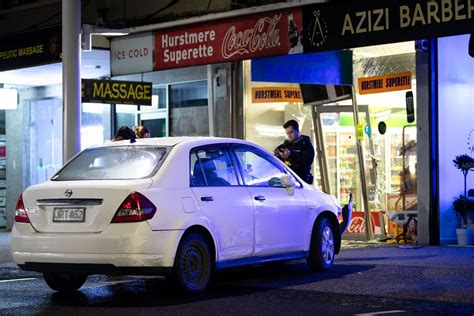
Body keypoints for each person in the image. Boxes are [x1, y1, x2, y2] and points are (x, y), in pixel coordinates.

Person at [274, 119, 315, 184]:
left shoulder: (306, 145)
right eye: (287, 133)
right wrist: (278, 156)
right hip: (288, 180)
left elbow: (307, 161)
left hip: (302, 180)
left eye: (291, 132)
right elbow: (283, 162)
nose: (289, 135)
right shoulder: (286, 145)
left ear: (297, 130)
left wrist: (291, 155)